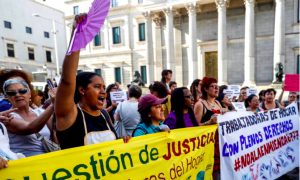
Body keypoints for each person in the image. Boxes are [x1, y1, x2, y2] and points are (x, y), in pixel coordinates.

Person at [55, 14, 125, 150]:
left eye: (104, 87)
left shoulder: (105, 115)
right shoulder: (70, 114)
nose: (104, 91)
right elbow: (67, 80)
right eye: (97, 87)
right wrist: (77, 34)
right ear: (82, 90)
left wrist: (122, 141)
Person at [3, 78, 56, 157]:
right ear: (7, 97)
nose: (17, 95)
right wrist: (53, 105)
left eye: (22, 91)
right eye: (11, 93)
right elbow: (31, 128)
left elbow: (57, 133)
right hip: (27, 165)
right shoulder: (7, 117)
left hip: (50, 161)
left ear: (29, 94)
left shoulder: (40, 112)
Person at [194, 77, 226, 180]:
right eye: (214, 86)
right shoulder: (200, 104)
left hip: (219, 142)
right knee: (211, 170)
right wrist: (208, 122)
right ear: (206, 89)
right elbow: (194, 127)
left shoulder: (218, 103)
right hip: (208, 144)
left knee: (218, 170)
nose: (217, 89)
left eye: (218, 87)